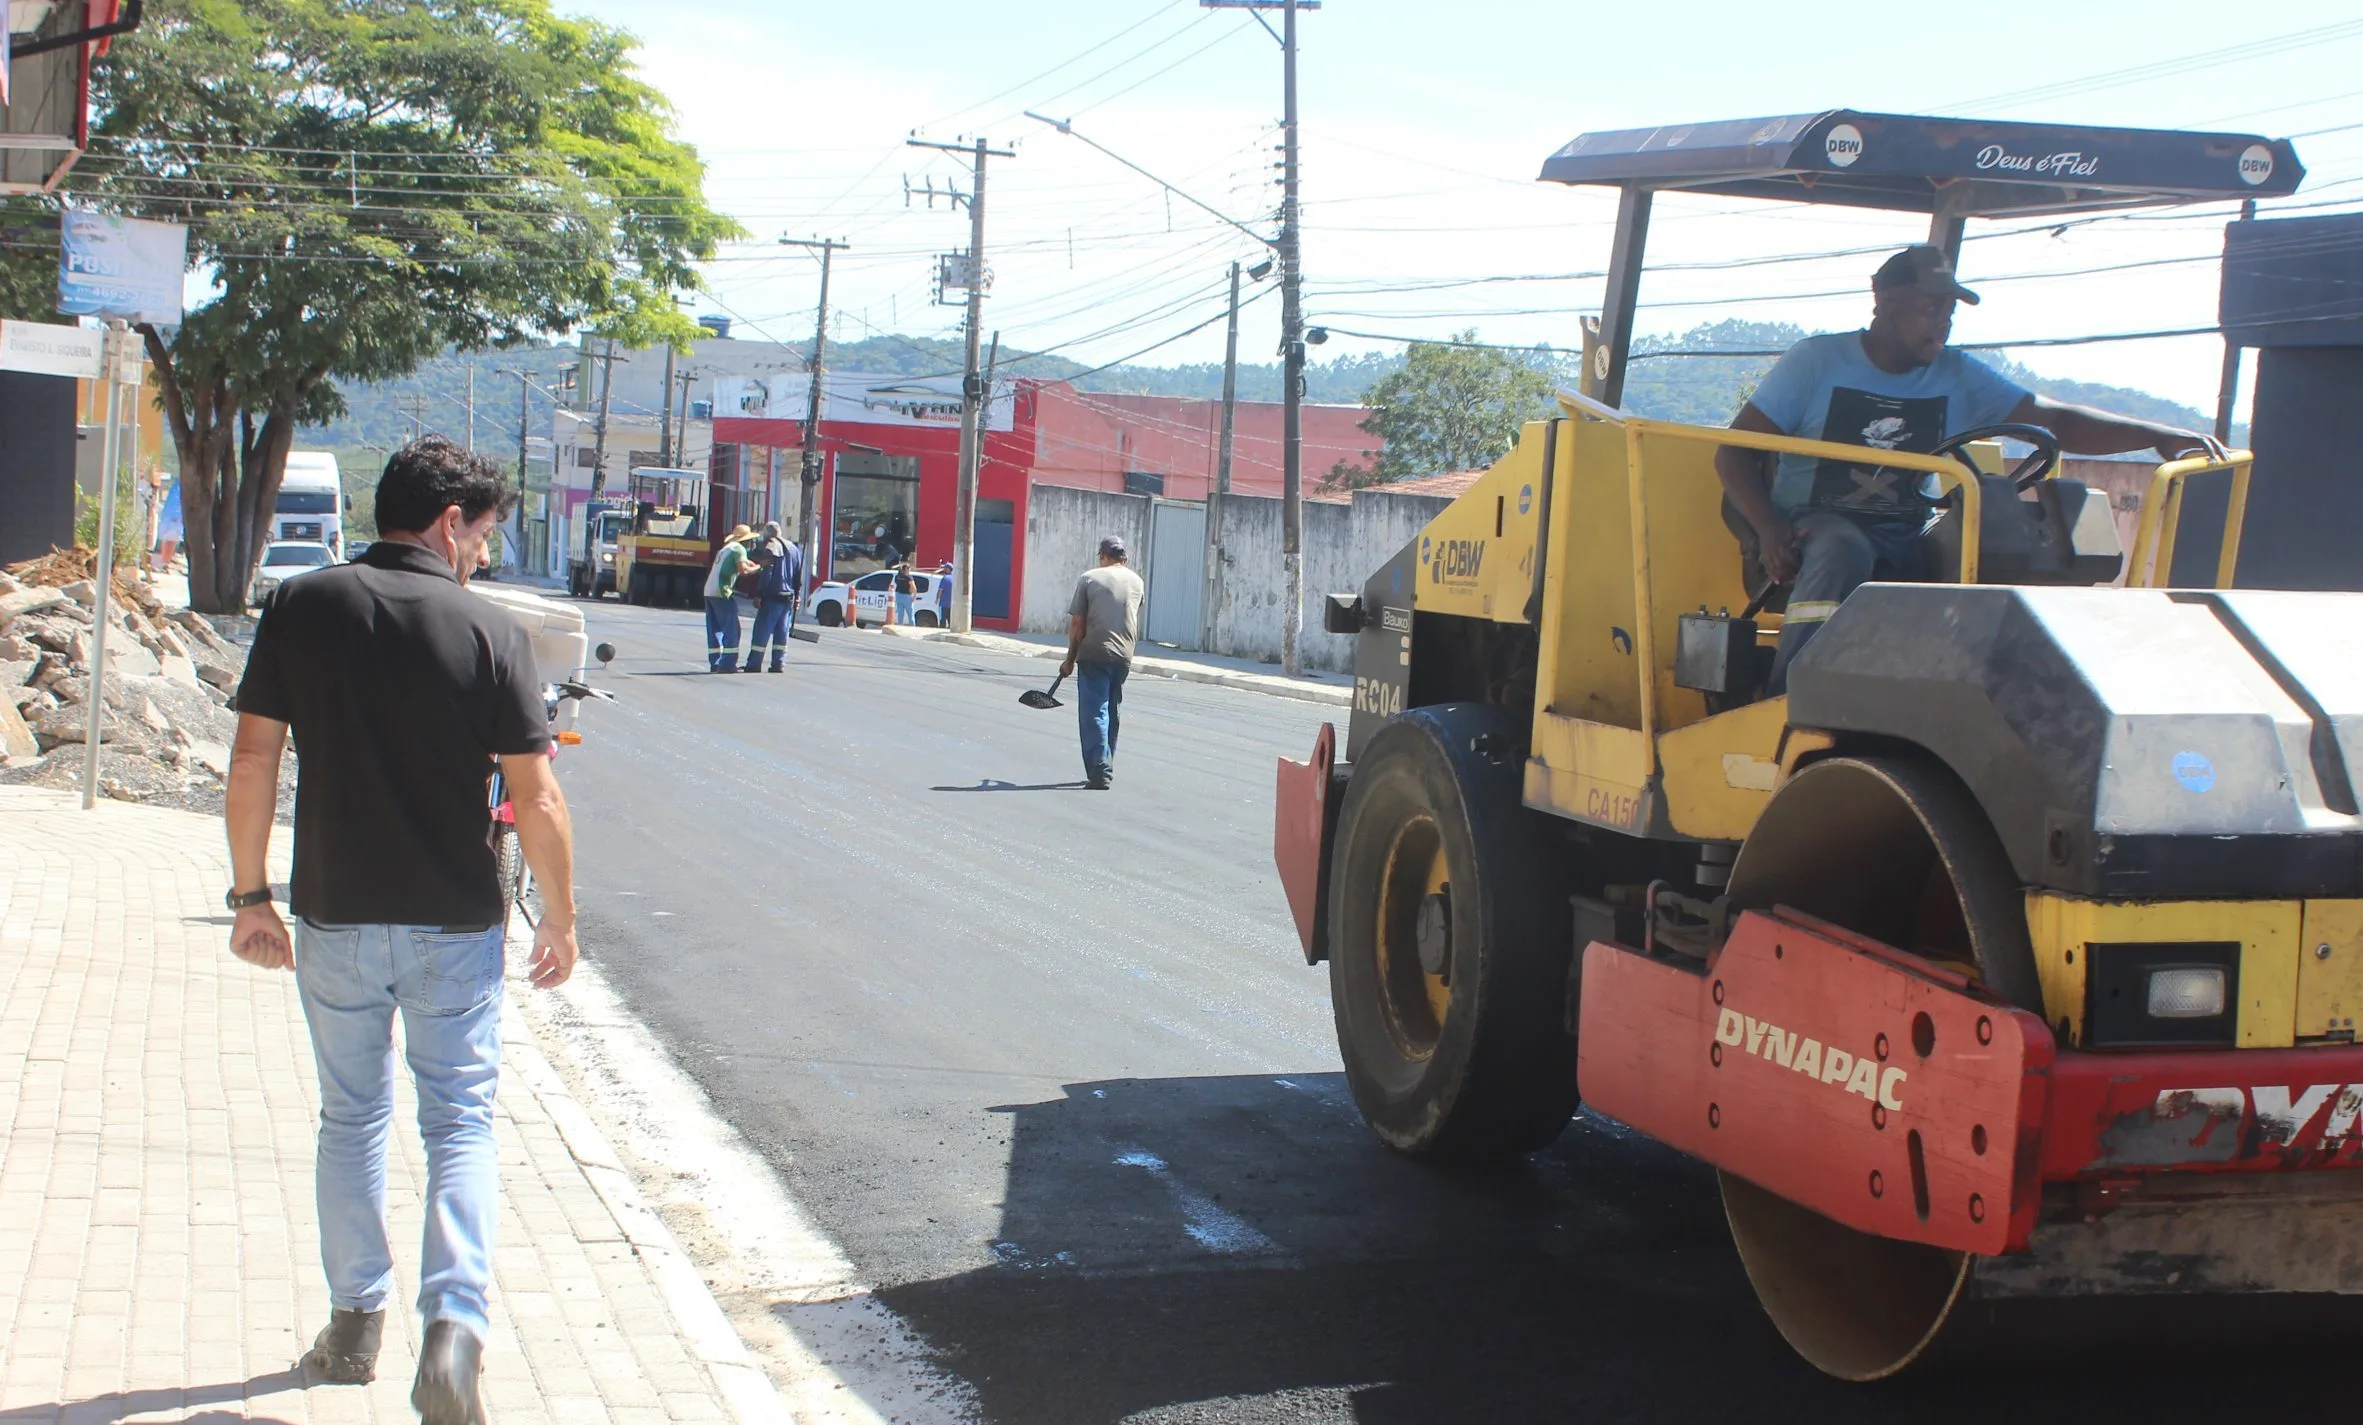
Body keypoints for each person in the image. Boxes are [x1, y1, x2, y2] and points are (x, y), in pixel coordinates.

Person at [223, 436, 578, 1425]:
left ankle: (352, 1329)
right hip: (454, 925)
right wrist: (560, 917)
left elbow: (252, 763)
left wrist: (249, 897)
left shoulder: (301, 605)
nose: (479, 555)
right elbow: (537, 797)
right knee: (457, 1122)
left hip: (332, 912)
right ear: (448, 522)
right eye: (481, 534)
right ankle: (453, 1336)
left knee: (351, 1118)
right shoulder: (488, 631)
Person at [1716, 244, 2208, 694]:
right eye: (1931, 308)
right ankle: (1789, 696)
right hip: (1809, 527)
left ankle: (1976, 699)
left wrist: (2156, 435)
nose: (1943, 323)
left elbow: (2053, 419)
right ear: (1885, 301)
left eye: (1949, 312)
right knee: (1843, 546)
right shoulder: (1817, 362)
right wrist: (1768, 527)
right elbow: (1733, 453)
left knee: (1990, 542)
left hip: (1906, 529)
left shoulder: (1957, 375)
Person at [1059, 535, 1146, 790]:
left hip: (1094, 652)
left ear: (1103, 556)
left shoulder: (1090, 578)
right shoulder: (1137, 581)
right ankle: (1106, 762)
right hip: (1124, 656)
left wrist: (1069, 660)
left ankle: (1099, 769)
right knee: (1111, 710)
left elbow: (1077, 624)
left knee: (1094, 710)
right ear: (1125, 559)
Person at [742, 521, 803, 673]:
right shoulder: (794, 549)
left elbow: (767, 574)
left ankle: (754, 664)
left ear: (767, 535)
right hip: (788, 597)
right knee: (782, 632)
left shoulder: (771, 547)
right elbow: (798, 576)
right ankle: (778, 663)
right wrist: (797, 596)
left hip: (772, 597)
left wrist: (759, 595)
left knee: (762, 631)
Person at [702, 523, 755, 673]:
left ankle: (715, 662)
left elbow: (740, 563)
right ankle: (727, 663)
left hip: (709, 591)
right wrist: (759, 567)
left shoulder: (726, 549)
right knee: (732, 628)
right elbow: (744, 570)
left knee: (715, 629)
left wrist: (749, 563)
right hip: (722, 591)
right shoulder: (739, 549)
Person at [893, 561, 918, 627]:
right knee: (910, 614)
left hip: (898, 595)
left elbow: (896, 583)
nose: (910, 569)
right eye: (909, 568)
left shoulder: (897, 576)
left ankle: (900, 627)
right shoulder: (909, 577)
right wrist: (914, 597)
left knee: (900, 614)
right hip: (907, 596)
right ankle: (912, 627)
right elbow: (914, 588)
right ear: (906, 569)